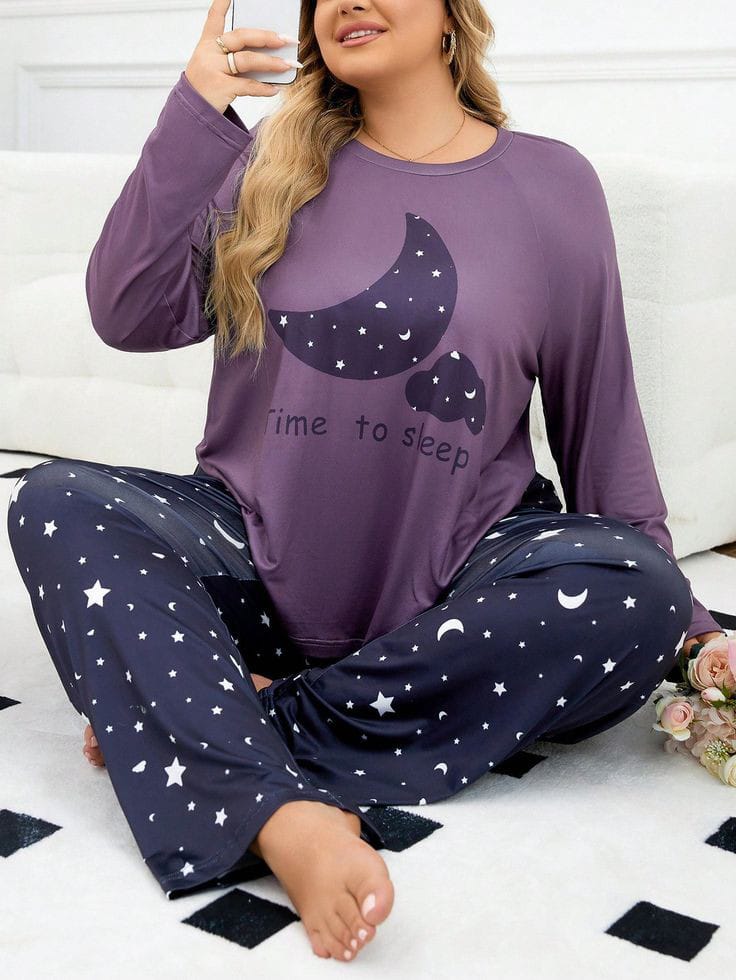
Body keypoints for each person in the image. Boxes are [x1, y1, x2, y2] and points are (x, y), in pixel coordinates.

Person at [7, 0, 724, 964]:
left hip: (459, 587)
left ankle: (230, 720)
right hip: (251, 565)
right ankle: (283, 816)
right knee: (56, 501)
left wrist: (690, 631)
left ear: (452, 15)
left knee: (637, 584)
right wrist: (197, 108)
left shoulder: (553, 185)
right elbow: (126, 311)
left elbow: (599, 421)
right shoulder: (266, 163)